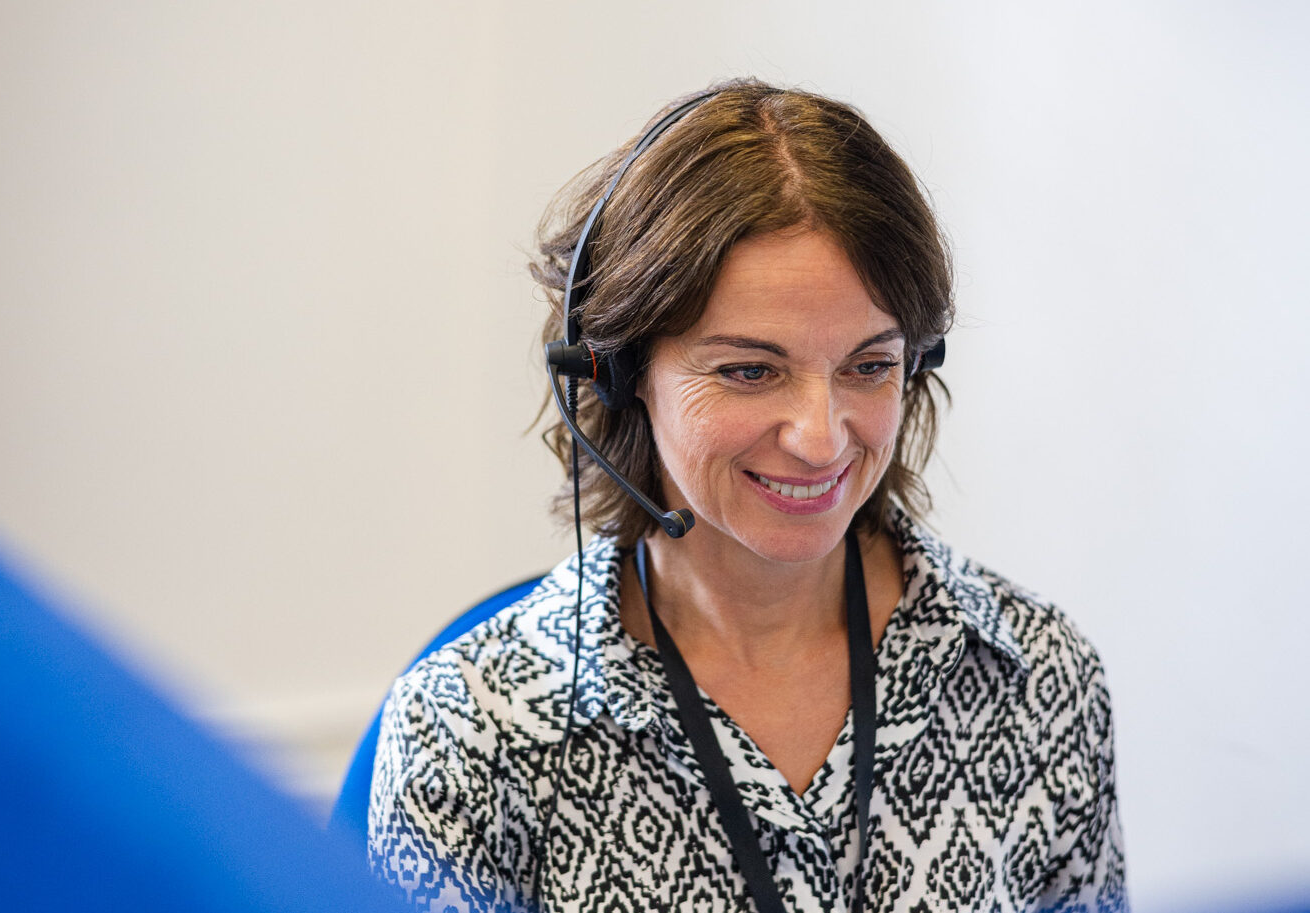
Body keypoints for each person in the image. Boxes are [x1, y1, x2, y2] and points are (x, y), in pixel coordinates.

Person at [368, 79, 1127, 913]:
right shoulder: (474, 730)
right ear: (621, 375)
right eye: (749, 370)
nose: (820, 436)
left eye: (867, 365)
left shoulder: (1038, 678)